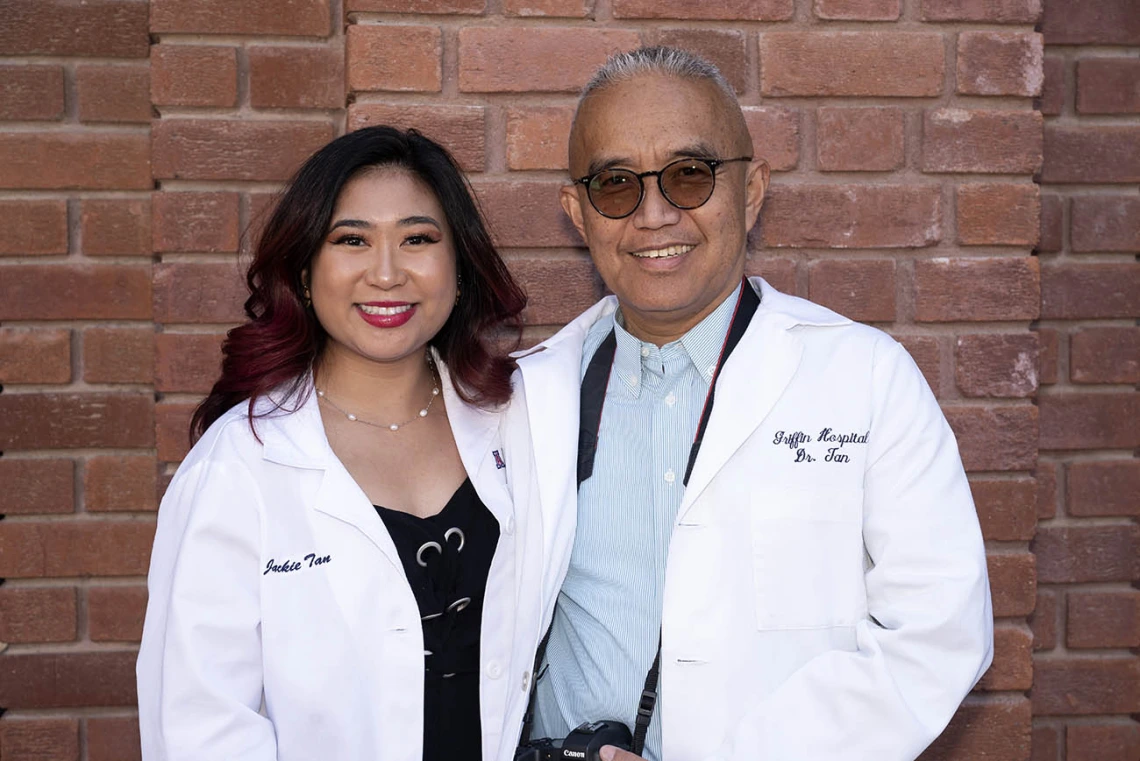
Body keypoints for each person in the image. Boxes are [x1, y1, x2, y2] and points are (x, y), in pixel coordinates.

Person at [519, 47, 994, 761]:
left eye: (689, 175)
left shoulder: (865, 378)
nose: (653, 215)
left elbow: (940, 631)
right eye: (615, 184)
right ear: (577, 212)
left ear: (752, 189)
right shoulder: (525, 397)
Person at [136, 126, 559, 761]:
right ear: (304, 271)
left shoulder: (521, 425)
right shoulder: (239, 466)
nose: (386, 273)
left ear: (460, 267)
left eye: (417, 239)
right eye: (351, 240)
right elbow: (200, 728)